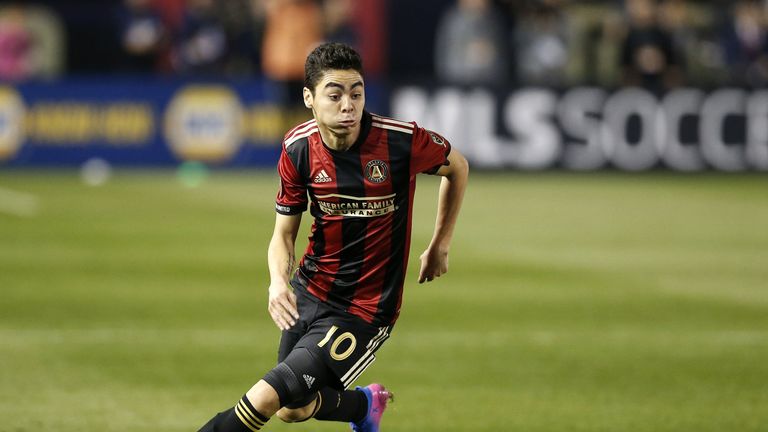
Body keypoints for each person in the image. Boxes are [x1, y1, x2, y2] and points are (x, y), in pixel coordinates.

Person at [198, 42, 469, 432]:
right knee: (292, 408)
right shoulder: (298, 148)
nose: (348, 105)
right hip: (310, 290)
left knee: (267, 396)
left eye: (356, 93)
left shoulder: (399, 141)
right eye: (335, 94)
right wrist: (277, 283)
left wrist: (440, 242)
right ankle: (364, 405)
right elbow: (283, 235)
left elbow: (457, 166)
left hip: (364, 308)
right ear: (309, 98)